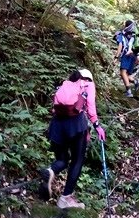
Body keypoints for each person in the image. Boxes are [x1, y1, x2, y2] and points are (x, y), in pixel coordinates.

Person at [39, 68, 106, 209]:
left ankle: (51, 170)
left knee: (62, 160)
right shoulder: (88, 85)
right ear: (88, 78)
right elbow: (91, 107)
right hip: (76, 125)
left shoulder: (66, 84)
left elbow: (55, 108)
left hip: (57, 124)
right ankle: (65, 198)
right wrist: (97, 126)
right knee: (77, 160)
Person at [114, 20, 139, 97]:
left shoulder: (121, 35)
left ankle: (129, 92)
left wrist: (116, 57)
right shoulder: (132, 35)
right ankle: (135, 82)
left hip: (126, 55)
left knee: (123, 72)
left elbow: (120, 46)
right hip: (133, 55)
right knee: (126, 74)